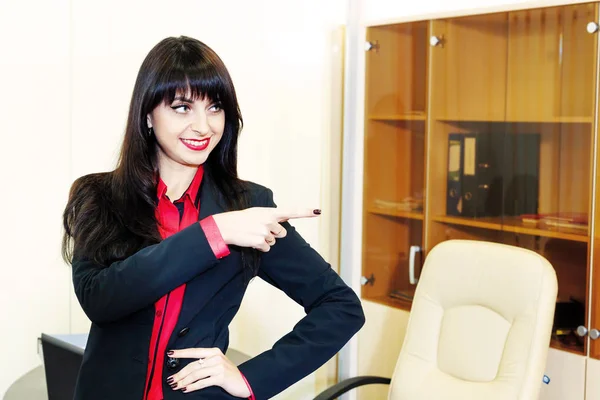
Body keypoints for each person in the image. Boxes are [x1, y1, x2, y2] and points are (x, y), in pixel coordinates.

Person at [61, 36, 365, 400]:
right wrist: (214, 232)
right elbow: (101, 299)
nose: (203, 126)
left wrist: (251, 378)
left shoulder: (249, 205)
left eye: (215, 107)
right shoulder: (100, 195)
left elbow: (342, 307)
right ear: (147, 115)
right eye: (182, 107)